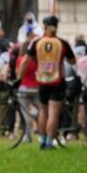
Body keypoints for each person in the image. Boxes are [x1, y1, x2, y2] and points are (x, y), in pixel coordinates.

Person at [19, 15, 76, 149]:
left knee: (43, 111)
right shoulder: (62, 42)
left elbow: (25, 61)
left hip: (42, 81)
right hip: (57, 81)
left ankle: (42, 140)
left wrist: (19, 78)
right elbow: (72, 61)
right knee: (53, 114)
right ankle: (50, 141)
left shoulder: (36, 42)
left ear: (44, 26)